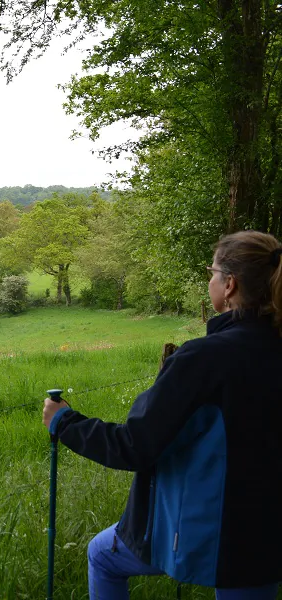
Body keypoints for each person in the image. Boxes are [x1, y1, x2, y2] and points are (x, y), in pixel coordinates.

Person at [42, 231, 282, 600]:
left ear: (230, 285)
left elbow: (134, 446)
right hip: (267, 534)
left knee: (103, 556)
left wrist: (64, 422)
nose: (209, 280)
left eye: (212, 272)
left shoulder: (204, 359)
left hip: (214, 533)